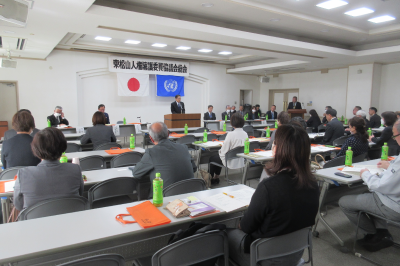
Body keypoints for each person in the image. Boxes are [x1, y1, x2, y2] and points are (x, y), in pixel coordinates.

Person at [227, 124, 319, 266]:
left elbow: (245, 226)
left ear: (278, 150)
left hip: (262, 258)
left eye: (275, 144)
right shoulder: (313, 184)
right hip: (295, 254)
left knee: (222, 236)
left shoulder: (269, 187)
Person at [339, 120, 400, 252]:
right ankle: (382, 231)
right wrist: (390, 167)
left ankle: (372, 234)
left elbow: (379, 186)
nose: (394, 140)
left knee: (344, 202)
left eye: (395, 136)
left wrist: (366, 174)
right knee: (370, 196)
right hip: (393, 199)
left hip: (393, 205)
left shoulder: (351, 140)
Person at [13, 127, 84, 211]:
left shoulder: (23, 174)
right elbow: (80, 195)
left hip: (35, 222)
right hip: (70, 220)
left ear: (36, 149)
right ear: (63, 147)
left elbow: (18, 205)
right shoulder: (75, 170)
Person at [132, 122, 197, 195]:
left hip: (165, 199)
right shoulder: (183, 148)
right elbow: (194, 168)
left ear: (151, 138)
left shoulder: (151, 153)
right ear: (168, 133)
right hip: (190, 195)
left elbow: (136, 173)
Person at [209, 114, 248, 184]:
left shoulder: (231, 134)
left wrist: (220, 151)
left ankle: (210, 180)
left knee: (212, 158)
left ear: (232, 123)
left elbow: (224, 150)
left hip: (230, 161)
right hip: (241, 160)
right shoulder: (245, 133)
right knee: (218, 157)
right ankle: (216, 177)